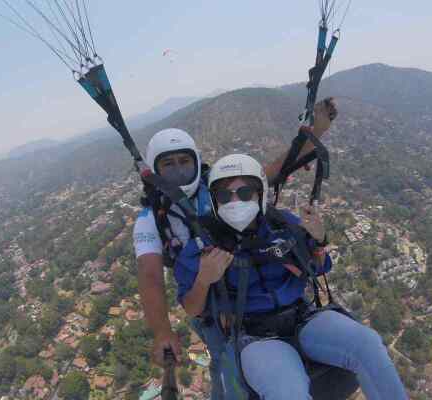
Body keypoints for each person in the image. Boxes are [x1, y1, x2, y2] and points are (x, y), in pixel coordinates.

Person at [134, 99, 337, 397]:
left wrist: (315, 134)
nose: (178, 170)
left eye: (184, 161)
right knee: (229, 374)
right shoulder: (150, 219)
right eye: (168, 164)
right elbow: (150, 277)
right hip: (209, 305)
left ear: (196, 161)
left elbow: (270, 173)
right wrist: (162, 330)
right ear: (155, 169)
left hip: (248, 290)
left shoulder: (218, 186)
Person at [173, 153, 408, 400]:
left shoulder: (282, 225)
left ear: (260, 194)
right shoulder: (204, 246)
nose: (235, 202)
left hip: (303, 317)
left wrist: (318, 241)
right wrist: (204, 279)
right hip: (255, 337)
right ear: (214, 201)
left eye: (244, 194)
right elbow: (192, 308)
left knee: (367, 343)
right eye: (224, 196)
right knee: (287, 392)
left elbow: (317, 267)